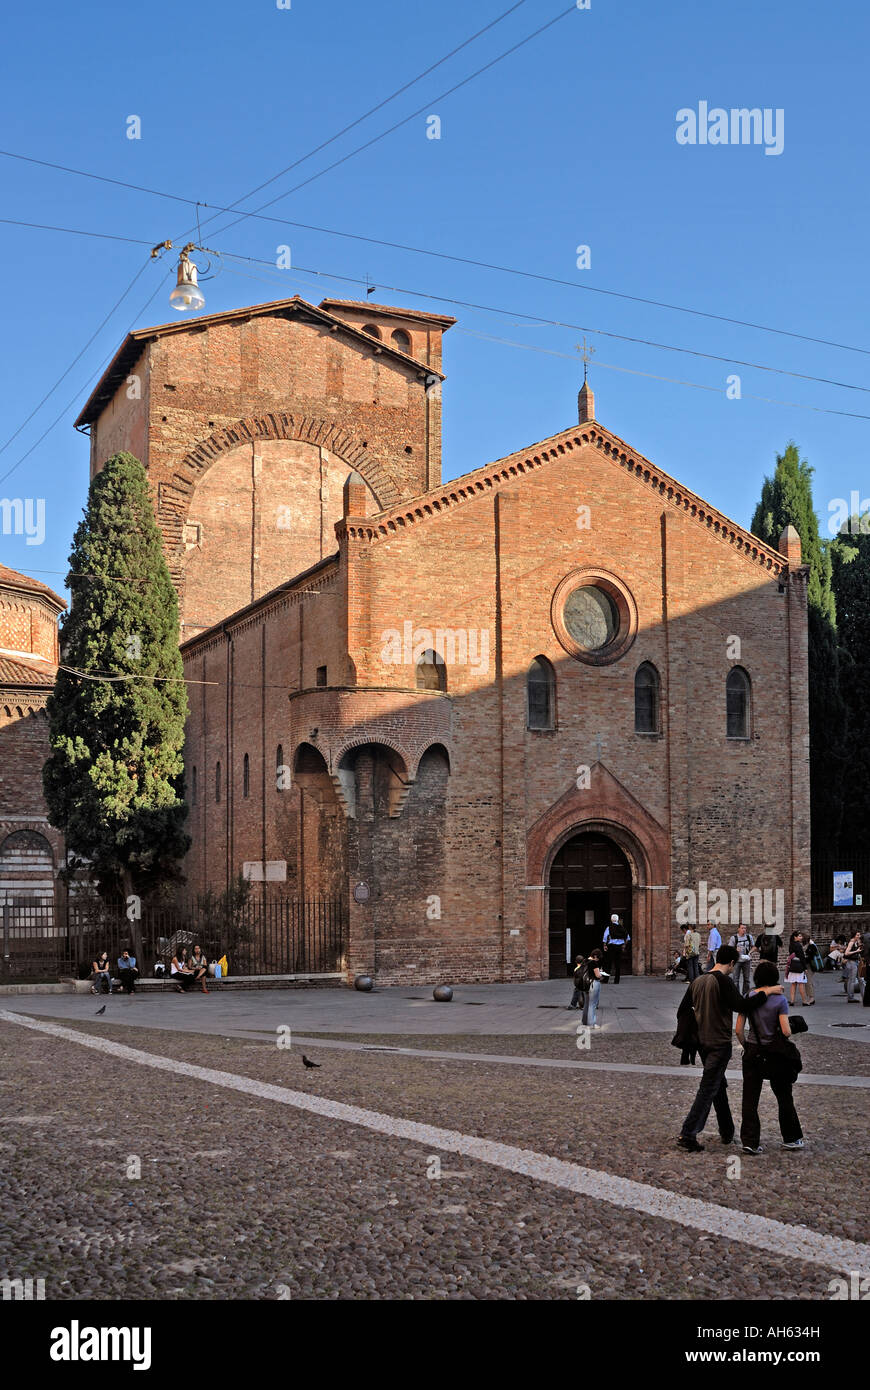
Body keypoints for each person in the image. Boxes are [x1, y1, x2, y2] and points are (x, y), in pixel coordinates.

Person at [676, 944, 781, 1153]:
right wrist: (766, 992)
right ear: (732, 963)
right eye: (734, 965)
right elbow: (741, 1006)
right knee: (708, 1088)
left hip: (702, 1043)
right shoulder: (722, 980)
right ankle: (688, 1133)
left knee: (717, 1086)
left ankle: (726, 1130)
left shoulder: (698, 980)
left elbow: (682, 1011)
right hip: (719, 1043)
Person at [736, 960, 804, 1153]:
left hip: (752, 1052)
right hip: (774, 1054)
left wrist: (747, 1046)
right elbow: (786, 1031)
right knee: (784, 1096)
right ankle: (791, 1138)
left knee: (750, 1098)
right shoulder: (780, 1001)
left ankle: (750, 1141)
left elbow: (739, 1030)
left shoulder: (748, 997)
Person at [581, 949, 608, 1028]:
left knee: (586, 1004)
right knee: (592, 1004)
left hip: (585, 984)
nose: (598, 960)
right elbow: (597, 975)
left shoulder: (584, 961)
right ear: (595, 956)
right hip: (593, 984)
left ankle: (584, 1021)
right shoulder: (593, 963)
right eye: (598, 958)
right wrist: (601, 974)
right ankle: (591, 1023)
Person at [728, 924, 754, 995]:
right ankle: (737, 996)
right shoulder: (734, 938)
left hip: (747, 961)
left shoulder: (749, 937)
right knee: (735, 980)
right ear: (738, 929)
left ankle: (745, 995)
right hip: (737, 961)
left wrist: (750, 953)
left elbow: (754, 947)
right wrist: (735, 950)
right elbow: (729, 949)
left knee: (747, 980)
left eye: (745, 928)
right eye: (742, 928)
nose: (744, 930)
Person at [602, 915, 629, 983]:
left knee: (608, 963)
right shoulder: (622, 928)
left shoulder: (609, 928)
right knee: (618, 964)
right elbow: (628, 937)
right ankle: (617, 980)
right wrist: (624, 945)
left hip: (611, 947)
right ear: (617, 920)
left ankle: (606, 979)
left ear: (611, 920)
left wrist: (605, 945)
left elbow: (605, 937)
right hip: (619, 947)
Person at [785, 935, 808, 1007]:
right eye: (800, 936)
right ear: (795, 937)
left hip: (792, 965)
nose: (801, 937)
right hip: (799, 966)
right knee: (801, 984)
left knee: (793, 984)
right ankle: (804, 1001)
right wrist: (805, 967)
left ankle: (792, 1001)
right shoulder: (798, 945)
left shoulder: (791, 944)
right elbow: (802, 957)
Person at [843, 930, 863, 1003]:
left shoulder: (856, 942)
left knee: (861, 979)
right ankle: (850, 997)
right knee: (852, 980)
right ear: (854, 935)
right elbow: (846, 953)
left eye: (859, 935)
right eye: (857, 935)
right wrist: (856, 951)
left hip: (856, 962)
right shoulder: (851, 942)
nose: (859, 936)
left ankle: (864, 996)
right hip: (851, 963)